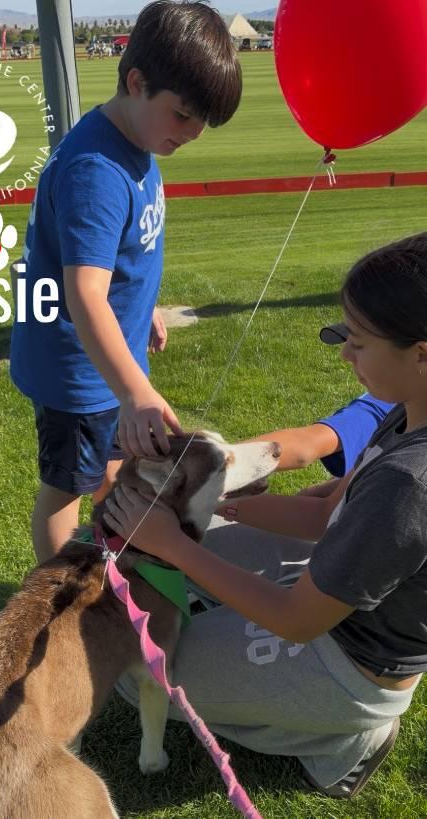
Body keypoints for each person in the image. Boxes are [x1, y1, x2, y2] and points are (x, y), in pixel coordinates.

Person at [105, 232, 427, 798]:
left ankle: (346, 741)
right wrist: (221, 505)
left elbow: (298, 622)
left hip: (349, 664)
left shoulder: (411, 485)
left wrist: (173, 544)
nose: (344, 352)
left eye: (358, 341)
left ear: (422, 352)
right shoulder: (408, 411)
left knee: (141, 672)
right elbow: (327, 509)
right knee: (203, 552)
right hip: (333, 590)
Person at [9, 1, 242, 564]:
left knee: (112, 469)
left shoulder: (137, 138)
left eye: (201, 123)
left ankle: (113, 563)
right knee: (66, 488)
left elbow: (116, 258)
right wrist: (135, 392)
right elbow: (84, 292)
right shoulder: (98, 170)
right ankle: (54, 598)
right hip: (80, 374)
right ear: (137, 82)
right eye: (184, 115)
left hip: (109, 363)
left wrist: (145, 307)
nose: (192, 134)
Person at [219, 391, 394, 522]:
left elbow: (307, 444)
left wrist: (210, 470)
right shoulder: (408, 409)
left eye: (360, 345)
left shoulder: (389, 399)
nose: (346, 354)